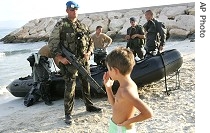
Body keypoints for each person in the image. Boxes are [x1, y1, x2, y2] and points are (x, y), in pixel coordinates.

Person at [48, 1, 101, 125]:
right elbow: (52, 42)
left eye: (76, 9)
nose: (74, 11)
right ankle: (68, 114)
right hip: (68, 62)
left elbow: (90, 42)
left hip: (83, 60)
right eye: (72, 10)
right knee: (70, 87)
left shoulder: (82, 26)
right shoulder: (61, 25)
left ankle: (89, 105)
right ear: (67, 10)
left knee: (86, 83)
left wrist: (89, 53)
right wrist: (60, 58)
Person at [103, 47, 153, 133]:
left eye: (108, 69)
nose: (108, 72)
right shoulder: (125, 85)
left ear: (115, 70)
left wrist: (128, 122)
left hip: (121, 129)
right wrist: (108, 88)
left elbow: (148, 113)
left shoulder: (126, 91)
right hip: (116, 127)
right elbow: (115, 105)